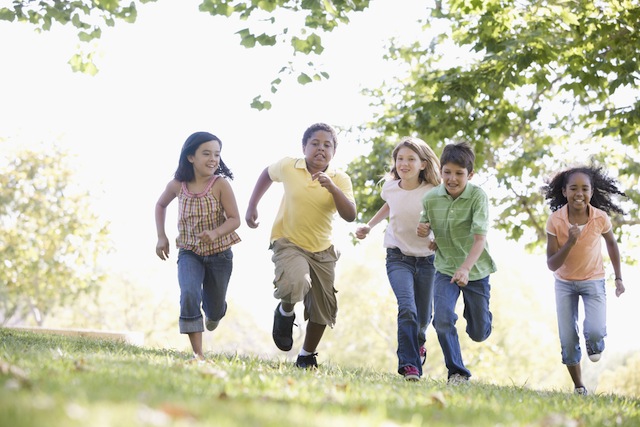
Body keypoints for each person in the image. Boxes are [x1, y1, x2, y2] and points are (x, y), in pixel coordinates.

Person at [245, 122, 356, 369]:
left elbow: (350, 215)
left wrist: (333, 189)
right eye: (314, 143)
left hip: (322, 250)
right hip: (288, 241)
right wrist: (252, 205)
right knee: (296, 281)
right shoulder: (289, 166)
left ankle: (306, 356)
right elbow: (266, 173)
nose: (320, 149)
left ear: (334, 152)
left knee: (324, 308)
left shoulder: (340, 178)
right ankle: (285, 312)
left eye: (327, 145)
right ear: (304, 146)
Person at [355, 137, 441, 381]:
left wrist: (435, 236)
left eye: (411, 159)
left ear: (423, 164)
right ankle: (409, 365)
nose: (404, 163)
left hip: (427, 260)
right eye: (400, 159)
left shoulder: (433, 191)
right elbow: (389, 206)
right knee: (407, 309)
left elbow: (442, 219)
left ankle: (419, 342)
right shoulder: (390, 187)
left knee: (424, 318)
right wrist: (370, 226)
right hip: (397, 257)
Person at [155, 131, 241, 362]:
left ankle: (216, 311)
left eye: (217, 154)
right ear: (191, 157)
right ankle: (198, 354)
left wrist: (215, 233)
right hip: (189, 252)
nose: (213, 159)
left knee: (213, 309)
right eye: (206, 154)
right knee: (189, 293)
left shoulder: (220, 184)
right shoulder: (177, 185)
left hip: (220, 255)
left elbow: (235, 219)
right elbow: (160, 205)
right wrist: (161, 236)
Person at [416, 141, 497, 384]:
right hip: (445, 269)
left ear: (470, 175)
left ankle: (478, 317)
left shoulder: (477, 197)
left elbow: (480, 238)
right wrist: (427, 234)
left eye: (459, 174)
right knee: (441, 319)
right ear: (440, 171)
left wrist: (466, 268)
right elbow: (428, 226)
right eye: (447, 172)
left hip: (476, 270)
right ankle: (457, 371)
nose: (452, 178)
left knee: (479, 333)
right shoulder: (431, 198)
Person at [544, 165, 626, 395]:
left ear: (591, 192)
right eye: (573, 188)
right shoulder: (555, 221)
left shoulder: (600, 218)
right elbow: (551, 264)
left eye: (584, 189)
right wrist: (570, 242)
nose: (579, 193)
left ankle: (594, 343)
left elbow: (611, 243)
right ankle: (579, 386)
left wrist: (618, 278)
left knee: (597, 332)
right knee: (568, 339)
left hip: (593, 280)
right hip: (564, 284)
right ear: (564, 192)